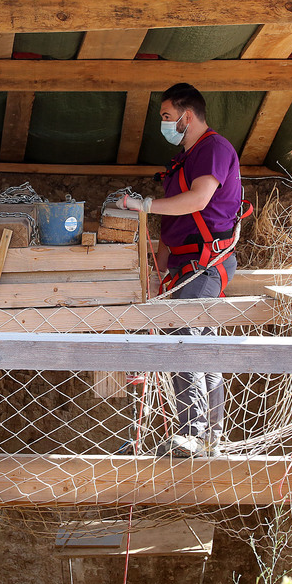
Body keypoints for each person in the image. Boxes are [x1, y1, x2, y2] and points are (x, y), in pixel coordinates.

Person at [120, 83, 243, 459]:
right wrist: (159, 265)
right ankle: (211, 436)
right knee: (203, 345)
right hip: (184, 265)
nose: (164, 124)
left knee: (185, 342)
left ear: (188, 116)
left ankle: (192, 435)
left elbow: (199, 199)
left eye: (167, 117)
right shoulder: (185, 161)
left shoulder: (213, 150)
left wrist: (145, 204)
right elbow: (173, 223)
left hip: (206, 266)